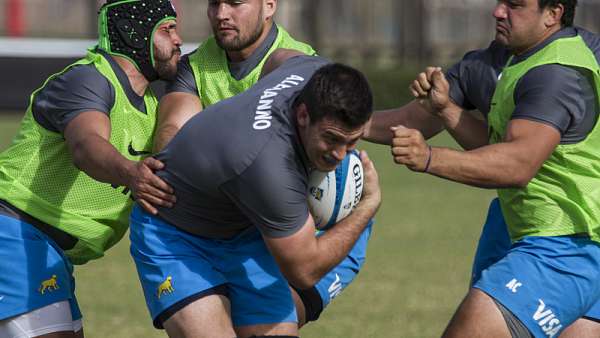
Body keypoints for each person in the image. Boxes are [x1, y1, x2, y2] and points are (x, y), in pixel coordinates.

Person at [380, 0, 600, 336]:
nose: (498, 11)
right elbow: (504, 147)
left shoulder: (556, 74)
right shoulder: (520, 56)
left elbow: (517, 165)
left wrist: (429, 158)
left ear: (553, 14)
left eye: (515, 5)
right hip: (529, 229)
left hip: (566, 245)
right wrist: (447, 111)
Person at [129, 53, 380, 338]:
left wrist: (254, 105)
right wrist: (367, 206)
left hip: (244, 229)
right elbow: (304, 271)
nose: (340, 155)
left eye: (352, 142)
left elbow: (278, 57)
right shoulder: (268, 166)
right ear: (302, 115)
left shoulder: (314, 71)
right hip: (175, 233)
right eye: (331, 139)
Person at [0, 1, 181, 337]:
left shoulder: (153, 107)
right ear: (134, 32)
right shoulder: (88, 79)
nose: (179, 40)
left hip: (50, 253)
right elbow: (87, 147)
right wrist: (132, 173)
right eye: (168, 29)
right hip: (13, 235)